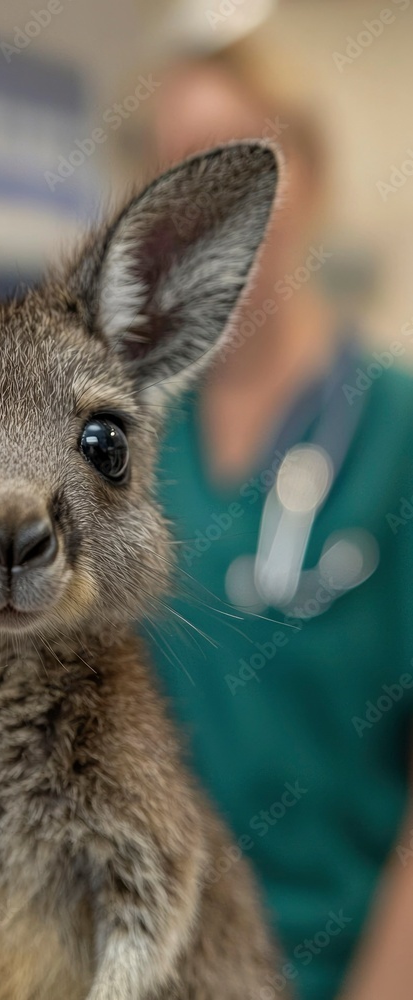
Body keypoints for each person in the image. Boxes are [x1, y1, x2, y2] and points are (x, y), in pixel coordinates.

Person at [145, 42, 413, 1000]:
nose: (199, 201)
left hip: (320, 968)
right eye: (172, 163)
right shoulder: (127, 438)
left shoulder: (396, 430)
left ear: (312, 175)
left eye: (236, 153)